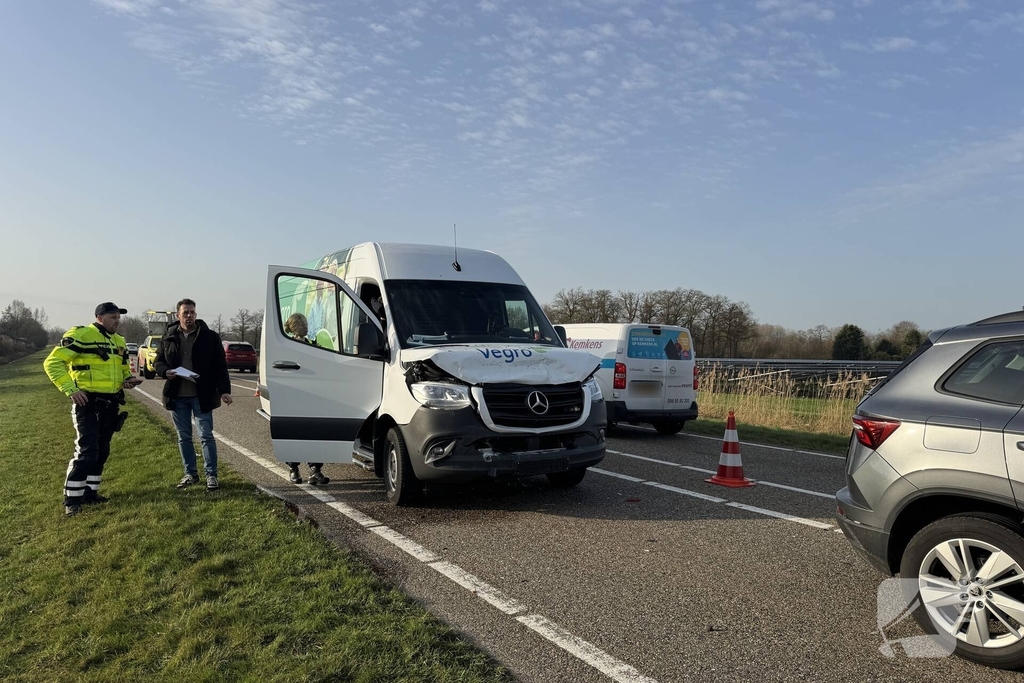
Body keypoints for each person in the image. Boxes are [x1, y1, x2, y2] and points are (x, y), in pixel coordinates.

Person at [44, 302, 143, 516]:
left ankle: (90, 493)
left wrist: (128, 380)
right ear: (99, 317)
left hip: (111, 403)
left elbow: (123, 368)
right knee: (87, 452)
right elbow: (53, 363)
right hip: (87, 403)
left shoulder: (119, 341)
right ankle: (72, 500)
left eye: (118, 317)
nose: (117, 321)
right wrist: (70, 389)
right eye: (112, 317)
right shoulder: (82, 335)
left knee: (102, 450)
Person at [154, 299, 233, 491]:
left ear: (196, 314)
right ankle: (190, 474)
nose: (189, 316)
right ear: (178, 315)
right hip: (177, 394)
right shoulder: (169, 336)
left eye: (192, 312)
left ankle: (211, 475)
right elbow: (158, 362)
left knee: (206, 435)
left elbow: (220, 366)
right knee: (184, 437)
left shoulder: (209, 337)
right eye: (185, 312)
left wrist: (224, 391)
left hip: (202, 395)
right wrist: (165, 372)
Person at [281, 313, 330, 486]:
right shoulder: (286, 345)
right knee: (292, 433)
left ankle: (315, 470)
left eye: (306, 323)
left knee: (314, 432)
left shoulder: (313, 345)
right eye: (301, 323)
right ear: (294, 326)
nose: (305, 326)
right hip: (292, 396)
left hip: (311, 396)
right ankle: (293, 468)